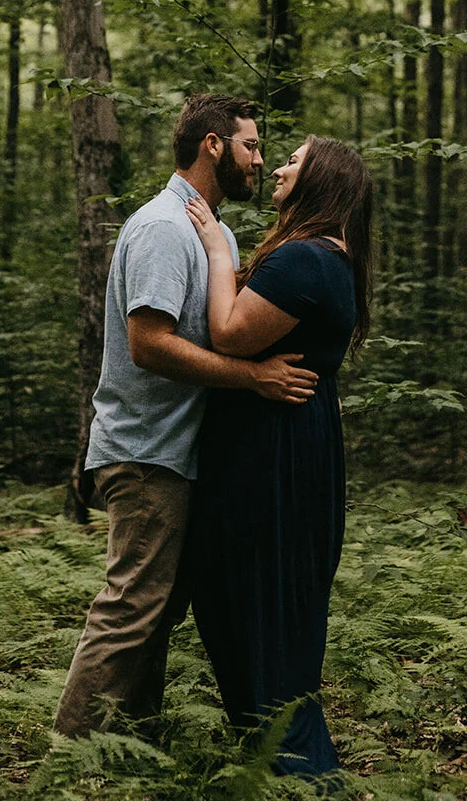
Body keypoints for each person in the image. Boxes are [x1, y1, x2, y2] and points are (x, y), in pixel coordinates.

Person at [53, 93, 319, 739]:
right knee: (133, 607)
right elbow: (149, 344)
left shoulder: (213, 232)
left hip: (182, 454)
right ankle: (69, 761)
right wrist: (252, 378)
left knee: (160, 609)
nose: (258, 160)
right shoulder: (161, 229)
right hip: (144, 454)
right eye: (251, 145)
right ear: (212, 145)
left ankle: (129, 746)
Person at [185, 134, 373, 784]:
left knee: (253, 596)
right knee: (266, 599)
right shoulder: (328, 257)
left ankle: (294, 769)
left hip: (271, 451)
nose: (280, 167)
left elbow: (229, 333)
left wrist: (215, 249)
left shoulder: (304, 260)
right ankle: (281, 759)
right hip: (293, 443)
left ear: (320, 179)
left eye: (293, 159)